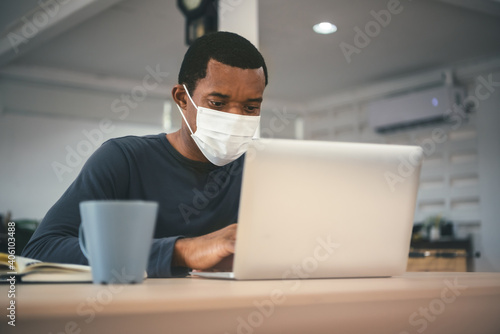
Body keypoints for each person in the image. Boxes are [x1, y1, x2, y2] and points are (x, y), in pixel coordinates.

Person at [22, 31, 268, 278]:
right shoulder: (124, 160)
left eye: (250, 108)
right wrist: (181, 252)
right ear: (182, 99)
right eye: (217, 103)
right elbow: (41, 250)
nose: (236, 118)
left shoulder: (259, 170)